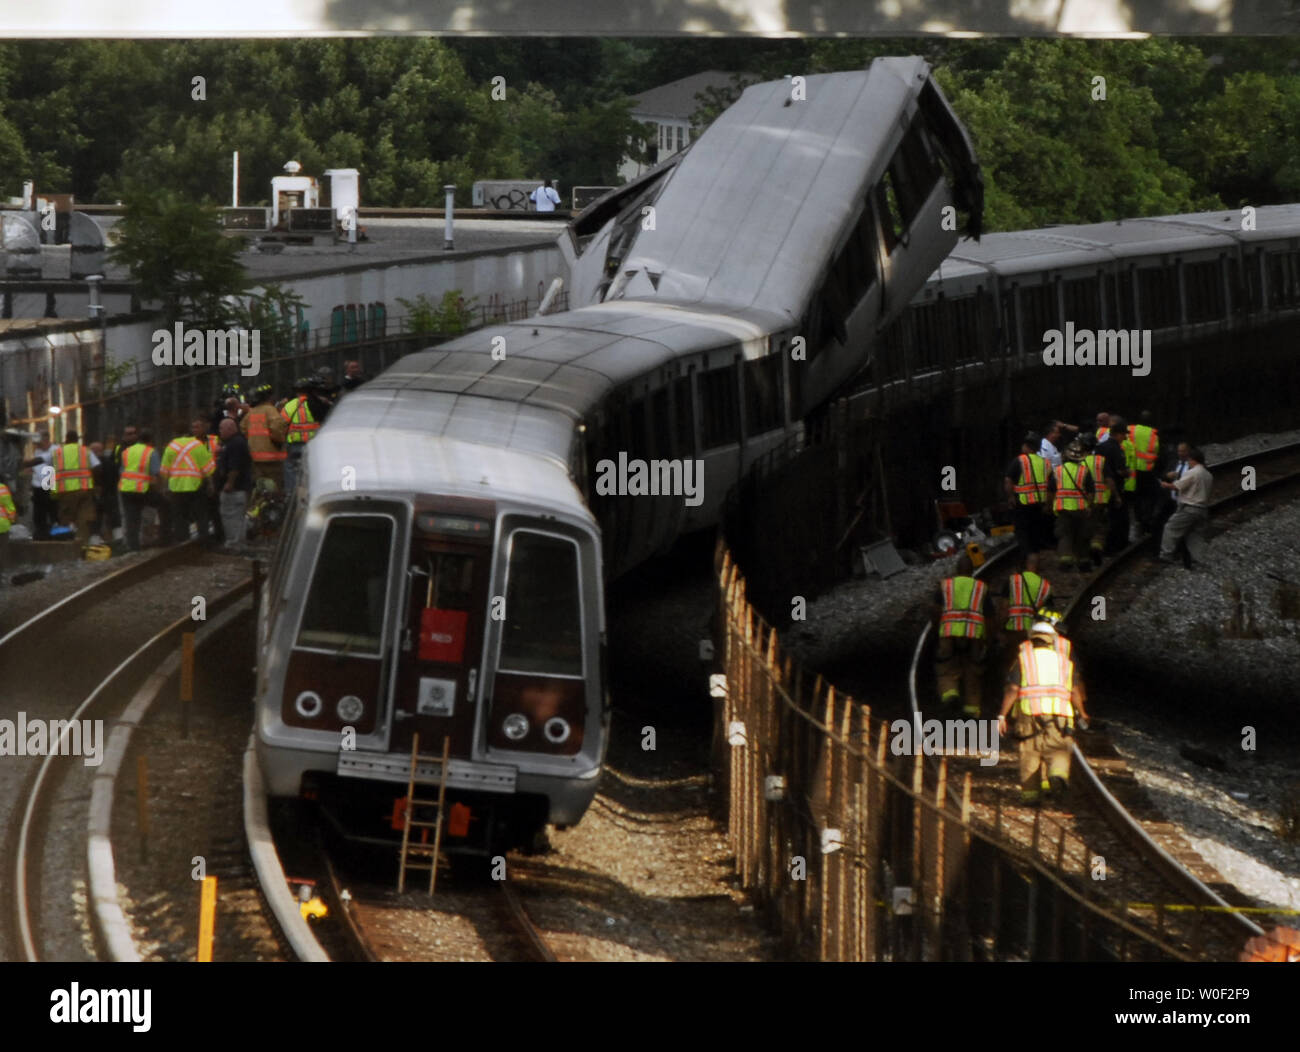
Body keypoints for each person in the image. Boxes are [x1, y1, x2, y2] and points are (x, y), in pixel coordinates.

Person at [998, 619, 1090, 805]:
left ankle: (1030, 797)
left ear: (1032, 638)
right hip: (1061, 716)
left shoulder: (1024, 660)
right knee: (1059, 751)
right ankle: (1057, 774)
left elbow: (1013, 689)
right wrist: (1082, 712)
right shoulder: (1065, 662)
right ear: (1051, 640)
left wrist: (1002, 715)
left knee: (1030, 753)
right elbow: (1074, 691)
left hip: (1029, 714)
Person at [934, 553, 989, 716]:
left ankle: (950, 693)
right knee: (973, 668)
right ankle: (972, 709)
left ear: (956, 570)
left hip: (949, 632)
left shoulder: (946, 585)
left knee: (945, 665)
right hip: (974, 634)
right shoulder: (981, 587)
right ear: (972, 571)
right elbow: (990, 617)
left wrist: (938, 629)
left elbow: (935, 610)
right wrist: (989, 640)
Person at [161, 418, 216, 544]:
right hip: (196, 485)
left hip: (177, 487)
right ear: (188, 431)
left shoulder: (171, 446)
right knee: (201, 514)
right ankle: (204, 541)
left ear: (175, 432)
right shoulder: (197, 445)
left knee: (180, 516)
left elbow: (164, 471)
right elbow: (208, 468)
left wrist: (165, 487)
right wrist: (211, 484)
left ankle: (182, 540)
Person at [1159, 446, 1212, 568]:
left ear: (1193, 460)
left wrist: (1165, 484)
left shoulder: (1193, 472)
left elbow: (1177, 486)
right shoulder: (1208, 474)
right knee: (1195, 534)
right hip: (1203, 509)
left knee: (1170, 528)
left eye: (1189, 460)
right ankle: (1199, 559)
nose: (1188, 462)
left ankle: (1166, 554)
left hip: (1190, 508)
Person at [1003, 432, 1050, 562]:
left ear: (1027, 446)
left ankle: (1026, 557)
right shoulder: (1045, 463)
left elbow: (1008, 481)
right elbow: (1051, 485)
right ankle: (1034, 556)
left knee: (1023, 533)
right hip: (1039, 505)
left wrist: (1011, 497)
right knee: (1035, 533)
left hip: (1022, 504)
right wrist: (1048, 504)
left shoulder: (1020, 460)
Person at [118, 427, 165, 552]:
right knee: (163, 507)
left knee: (131, 518)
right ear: (150, 441)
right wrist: (159, 490)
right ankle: (162, 537)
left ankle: (133, 547)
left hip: (126, 489)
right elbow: (156, 475)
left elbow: (122, 471)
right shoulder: (151, 452)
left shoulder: (127, 451)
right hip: (143, 489)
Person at [1049, 440, 1093, 572]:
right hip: (1081, 509)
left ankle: (1065, 561)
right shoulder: (1085, 472)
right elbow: (1090, 493)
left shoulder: (1057, 472)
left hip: (1063, 509)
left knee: (1064, 535)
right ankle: (1083, 562)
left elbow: (1050, 492)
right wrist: (1089, 506)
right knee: (1082, 535)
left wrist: (1049, 506)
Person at [53, 429, 100, 541]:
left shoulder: (57, 452)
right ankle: (81, 545)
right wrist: (95, 484)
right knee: (83, 519)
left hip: (64, 491)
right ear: (77, 439)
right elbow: (97, 467)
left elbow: (48, 470)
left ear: (66, 439)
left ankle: (66, 545)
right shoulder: (85, 451)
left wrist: (50, 491)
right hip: (84, 490)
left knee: (65, 518)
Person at [1080, 432, 1120, 563]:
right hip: (1100, 500)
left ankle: (1084, 554)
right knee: (1100, 526)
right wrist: (1116, 496)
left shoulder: (1077, 461)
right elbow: (1109, 480)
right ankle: (1096, 546)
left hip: (1083, 500)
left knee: (1084, 526)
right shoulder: (1100, 461)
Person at [241, 382, 288, 492]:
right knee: (275, 488)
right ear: (269, 396)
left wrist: (254, 441)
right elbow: (277, 427)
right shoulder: (270, 410)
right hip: (272, 458)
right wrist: (279, 441)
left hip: (255, 458)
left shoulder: (251, 413)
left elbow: (243, 429)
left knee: (260, 488)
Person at [215, 417, 252, 552]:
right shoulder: (237, 442)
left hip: (235, 488)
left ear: (231, 428)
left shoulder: (234, 444)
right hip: (241, 488)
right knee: (238, 517)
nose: (220, 431)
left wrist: (229, 483)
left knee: (230, 517)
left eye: (221, 428)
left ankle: (233, 544)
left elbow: (234, 466)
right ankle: (239, 544)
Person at [280, 377, 320, 498]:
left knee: (289, 467)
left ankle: (291, 494)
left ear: (296, 391)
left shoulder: (290, 405)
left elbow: (281, 425)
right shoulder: (317, 404)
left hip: (295, 445)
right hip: (314, 445)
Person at [1003, 553, 1052, 637]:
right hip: (1033, 630)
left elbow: (1004, 607)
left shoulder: (1012, 580)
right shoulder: (1045, 586)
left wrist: (1001, 628)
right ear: (1039, 566)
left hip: (1013, 628)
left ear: (1025, 563)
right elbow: (1047, 612)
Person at [20, 430, 57, 539]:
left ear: (46, 440)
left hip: (49, 484)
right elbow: (36, 467)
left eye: (39, 443)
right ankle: (41, 534)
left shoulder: (54, 450)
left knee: (51, 511)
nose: (37, 445)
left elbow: (37, 462)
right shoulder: (38, 450)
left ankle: (51, 534)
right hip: (38, 486)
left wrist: (21, 463)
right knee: (38, 514)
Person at [1129, 410, 1161, 532]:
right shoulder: (1153, 435)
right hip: (1146, 470)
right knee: (1147, 496)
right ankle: (1145, 519)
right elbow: (1155, 451)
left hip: (1131, 468)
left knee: (1136, 495)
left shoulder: (1130, 429)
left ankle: (1138, 518)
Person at [0, 477, 15, 575]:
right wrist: (12, 520)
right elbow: (9, 507)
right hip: (2, 525)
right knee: (2, 551)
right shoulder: (2, 488)